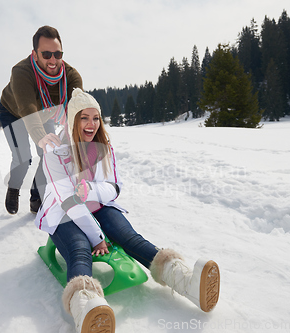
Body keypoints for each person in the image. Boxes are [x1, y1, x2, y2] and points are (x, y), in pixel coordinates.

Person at [34, 88, 220, 333]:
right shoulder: (55, 156)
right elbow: (69, 203)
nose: (91, 124)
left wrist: (90, 190)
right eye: (84, 118)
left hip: (99, 206)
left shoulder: (103, 149)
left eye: (95, 118)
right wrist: (97, 238)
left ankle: (185, 282)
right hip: (65, 214)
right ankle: (87, 309)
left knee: (129, 238)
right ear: (72, 120)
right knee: (80, 249)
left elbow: (113, 188)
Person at [0, 25, 83, 215]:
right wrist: (41, 138)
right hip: (14, 112)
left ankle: (36, 197)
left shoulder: (71, 76)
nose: (53, 60)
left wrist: (77, 139)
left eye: (57, 54)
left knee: (49, 154)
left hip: (45, 114)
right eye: (46, 54)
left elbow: (77, 111)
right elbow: (28, 109)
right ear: (35, 54)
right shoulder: (21, 72)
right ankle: (13, 188)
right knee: (23, 158)